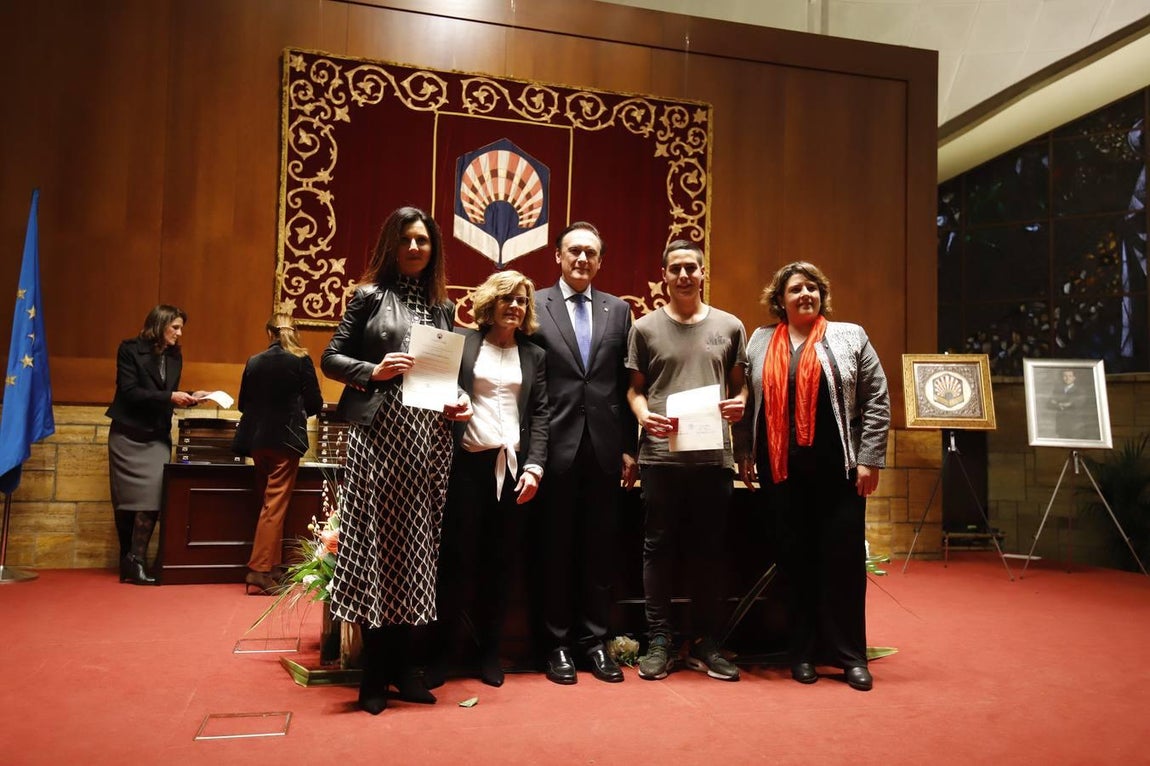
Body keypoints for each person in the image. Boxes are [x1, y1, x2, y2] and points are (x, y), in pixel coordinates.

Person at [320, 206, 472, 715]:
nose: (414, 248)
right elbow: (330, 358)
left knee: (416, 557)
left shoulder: (443, 308)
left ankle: (406, 670)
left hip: (429, 443)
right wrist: (374, 369)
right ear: (392, 244)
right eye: (406, 240)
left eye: (423, 241)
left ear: (433, 250)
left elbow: (446, 375)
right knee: (375, 553)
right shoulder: (367, 296)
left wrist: (458, 402)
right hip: (380, 438)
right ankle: (373, 676)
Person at [733, 261, 890, 692]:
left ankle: (849, 656)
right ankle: (801, 653)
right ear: (779, 300)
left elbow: (877, 398)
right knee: (794, 564)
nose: (806, 295)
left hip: (837, 474)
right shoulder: (761, 341)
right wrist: (744, 450)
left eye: (813, 288)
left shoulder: (850, 335)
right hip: (780, 472)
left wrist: (870, 459)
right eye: (796, 289)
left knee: (842, 563)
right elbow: (747, 399)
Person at [625, 239, 747, 682]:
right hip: (661, 457)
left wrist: (741, 404)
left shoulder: (731, 326)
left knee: (710, 552)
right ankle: (659, 639)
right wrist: (643, 415)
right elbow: (634, 388)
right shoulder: (643, 328)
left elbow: (740, 386)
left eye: (691, 268)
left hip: (714, 457)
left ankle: (707, 641)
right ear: (664, 275)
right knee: (658, 548)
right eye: (675, 268)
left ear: (702, 273)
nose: (683, 275)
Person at [429, 270, 549, 689]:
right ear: (490, 304)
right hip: (467, 469)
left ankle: (488, 655)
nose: (514, 306)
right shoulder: (464, 345)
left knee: (500, 566)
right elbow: (436, 390)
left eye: (521, 300)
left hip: (514, 471)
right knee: (456, 566)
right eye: (507, 299)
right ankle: (442, 655)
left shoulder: (535, 355)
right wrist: (449, 403)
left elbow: (540, 415)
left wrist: (535, 466)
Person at [530, 221, 637, 685]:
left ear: (600, 261)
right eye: (573, 251)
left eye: (590, 253)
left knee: (599, 552)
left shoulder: (619, 311)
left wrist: (630, 448)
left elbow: (626, 381)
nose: (581, 259)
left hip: (605, 450)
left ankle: (593, 642)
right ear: (557, 255)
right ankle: (555, 645)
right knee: (555, 551)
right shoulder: (533, 304)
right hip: (553, 447)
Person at [106, 305, 207, 585]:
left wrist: (189, 395)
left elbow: (164, 392)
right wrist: (170, 397)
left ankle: (138, 560)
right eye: (174, 327)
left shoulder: (175, 355)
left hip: (156, 436)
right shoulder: (129, 350)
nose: (179, 333)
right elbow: (129, 392)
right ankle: (126, 559)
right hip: (128, 433)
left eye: (181, 327)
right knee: (125, 503)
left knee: (151, 500)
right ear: (159, 325)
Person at [233, 312, 324, 595]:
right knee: (275, 506)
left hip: (257, 441)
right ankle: (259, 570)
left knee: (268, 505)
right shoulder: (301, 360)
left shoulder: (254, 361)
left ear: (269, 333)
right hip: (286, 441)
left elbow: (242, 404)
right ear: (294, 331)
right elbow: (315, 404)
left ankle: (272, 567)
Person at [1048, 368, 1099, 440]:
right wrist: (1060, 404)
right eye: (1065, 376)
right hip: (1061, 423)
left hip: (1075, 424)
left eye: (1070, 376)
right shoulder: (1057, 390)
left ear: (1074, 378)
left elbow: (1077, 402)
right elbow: (1050, 402)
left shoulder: (1079, 390)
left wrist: (1060, 404)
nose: (1067, 378)